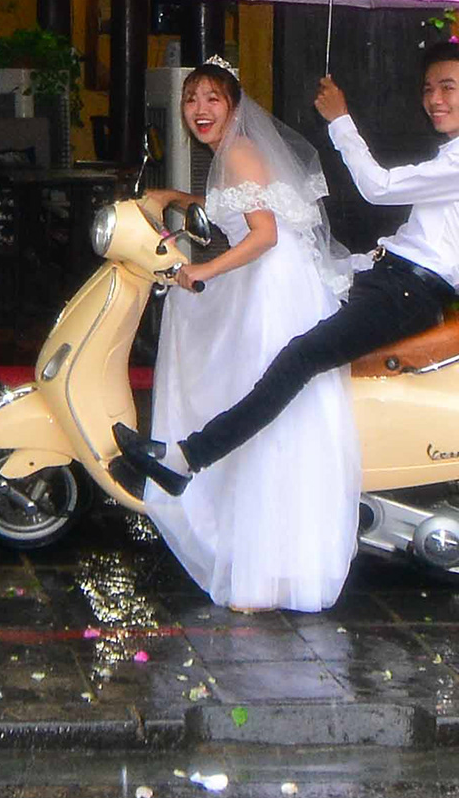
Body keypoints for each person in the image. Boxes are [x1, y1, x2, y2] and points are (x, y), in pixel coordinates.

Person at [117, 39, 459, 494]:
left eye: (448, 88)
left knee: (301, 356)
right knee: (290, 348)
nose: (435, 100)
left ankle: (189, 460)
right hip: (388, 275)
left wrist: (340, 119)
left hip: (408, 291)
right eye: (429, 89)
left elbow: (377, 188)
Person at [134, 56, 361, 612]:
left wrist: (202, 271)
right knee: (252, 404)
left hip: (272, 288)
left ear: (234, 105)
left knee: (264, 415)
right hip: (268, 282)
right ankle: (257, 555)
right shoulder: (229, 157)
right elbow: (228, 212)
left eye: (212, 98)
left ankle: (268, 573)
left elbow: (263, 234)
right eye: (191, 99)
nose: (199, 110)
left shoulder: (238, 151)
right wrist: (172, 198)